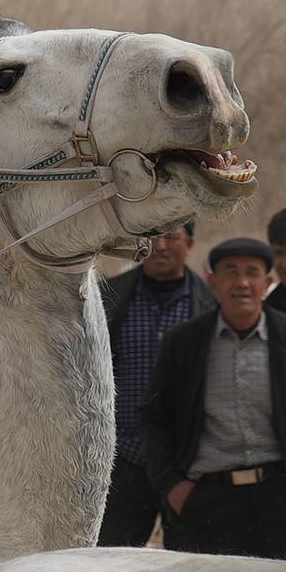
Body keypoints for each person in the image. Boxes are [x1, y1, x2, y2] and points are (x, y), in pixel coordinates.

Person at [142, 236, 286, 558]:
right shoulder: (183, 344)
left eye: (252, 272)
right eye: (230, 272)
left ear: (267, 283)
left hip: (280, 501)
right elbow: (155, 420)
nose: (242, 283)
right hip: (205, 500)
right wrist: (173, 487)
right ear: (213, 282)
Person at [96, 223, 208, 544]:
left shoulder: (210, 306)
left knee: (187, 565)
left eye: (171, 237)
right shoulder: (109, 296)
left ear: (189, 243)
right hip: (123, 459)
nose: (160, 246)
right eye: (151, 237)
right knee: (111, 561)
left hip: (186, 466)